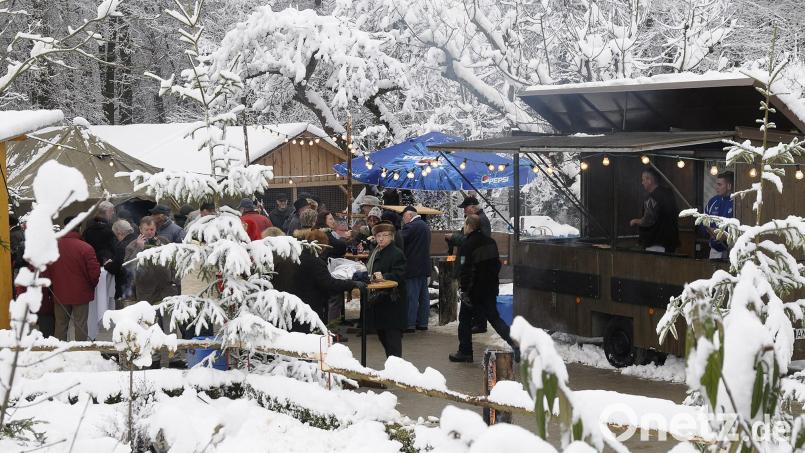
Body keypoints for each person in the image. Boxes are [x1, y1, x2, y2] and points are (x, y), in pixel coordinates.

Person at [449, 215, 518, 363]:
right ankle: (515, 343)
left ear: (469, 226)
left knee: (465, 320)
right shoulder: (491, 242)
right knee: (494, 318)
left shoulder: (467, 245)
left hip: (474, 291)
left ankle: (465, 352)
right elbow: (496, 264)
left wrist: (465, 289)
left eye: (465, 224)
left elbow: (464, 268)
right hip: (490, 288)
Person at [289, 229, 365, 326]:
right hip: (310, 304)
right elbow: (329, 283)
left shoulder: (300, 256)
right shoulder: (315, 261)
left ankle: (345, 323)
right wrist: (352, 284)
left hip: (299, 301)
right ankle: (338, 327)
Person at [49, 216, 101, 341]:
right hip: (81, 293)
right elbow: (94, 273)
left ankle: (58, 351)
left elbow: (46, 272)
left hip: (59, 292)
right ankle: (80, 353)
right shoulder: (86, 248)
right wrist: (91, 286)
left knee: (60, 325)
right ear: (80, 227)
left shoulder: (53, 247)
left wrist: (52, 288)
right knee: (81, 324)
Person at [365, 222, 407, 357]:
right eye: (378, 235)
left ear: (392, 237)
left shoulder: (396, 253)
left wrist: (384, 276)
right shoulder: (375, 252)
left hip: (392, 302)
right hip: (379, 301)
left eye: (385, 235)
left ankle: (396, 370)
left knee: (392, 340)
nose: (381, 238)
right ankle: (392, 366)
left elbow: (400, 274)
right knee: (383, 336)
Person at [125, 216, 178, 304]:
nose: (150, 232)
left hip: (167, 290)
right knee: (148, 317)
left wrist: (174, 282)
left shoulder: (164, 242)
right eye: (146, 230)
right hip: (145, 291)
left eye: (152, 229)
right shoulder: (132, 246)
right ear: (140, 229)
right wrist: (139, 248)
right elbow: (128, 267)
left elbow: (174, 262)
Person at [629, 168, 680, 253]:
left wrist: (635, 221)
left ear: (649, 180)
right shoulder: (669, 194)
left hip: (656, 243)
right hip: (670, 243)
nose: (642, 183)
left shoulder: (652, 197)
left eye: (643, 180)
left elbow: (648, 220)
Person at [400, 206, 432, 332]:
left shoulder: (411, 227)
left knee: (411, 297)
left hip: (412, 267)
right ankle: (423, 323)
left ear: (409, 215)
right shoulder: (425, 226)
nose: (403, 220)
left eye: (403, 217)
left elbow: (399, 240)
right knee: (424, 297)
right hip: (424, 267)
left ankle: (410, 324)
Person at [703, 171, 734, 259]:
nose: (716, 187)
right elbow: (703, 223)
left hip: (732, 249)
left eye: (719, 185)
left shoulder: (738, 203)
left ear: (729, 186)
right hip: (715, 249)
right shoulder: (713, 201)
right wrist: (709, 230)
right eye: (716, 184)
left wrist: (725, 235)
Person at [107, 219, 138, 302]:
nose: (117, 238)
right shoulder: (139, 239)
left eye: (116, 235)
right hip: (138, 284)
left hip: (125, 285)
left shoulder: (122, 246)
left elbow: (117, 268)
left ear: (120, 233)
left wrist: (108, 264)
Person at [83, 200, 117, 267]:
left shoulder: (89, 226)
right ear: (107, 212)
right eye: (112, 211)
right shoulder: (109, 228)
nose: (113, 213)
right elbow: (114, 247)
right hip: (106, 263)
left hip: (90, 261)